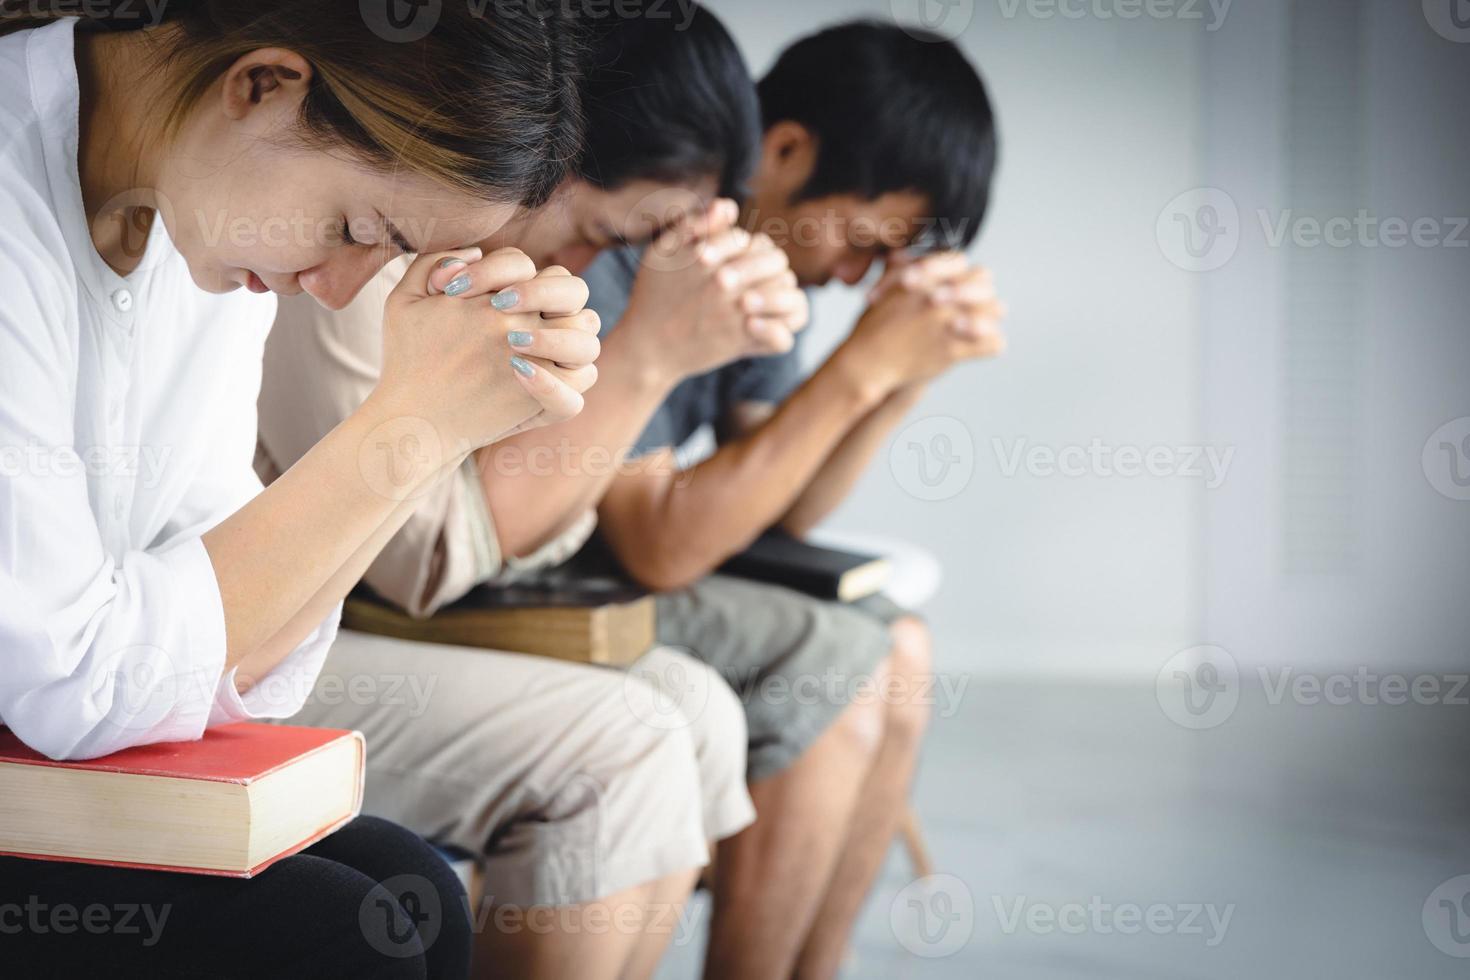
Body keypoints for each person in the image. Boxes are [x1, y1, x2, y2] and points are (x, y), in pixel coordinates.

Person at [0, 3, 595, 976]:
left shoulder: (202, 223)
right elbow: (79, 677)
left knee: (413, 891)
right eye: (357, 225)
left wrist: (444, 423)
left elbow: (224, 627)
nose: (335, 285)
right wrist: (411, 427)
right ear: (264, 85)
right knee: (336, 935)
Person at [252, 9, 777, 980]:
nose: (588, 267)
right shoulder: (362, 248)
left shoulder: (498, 267)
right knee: (622, 746)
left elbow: (525, 530)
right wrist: (649, 354)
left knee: (696, 705)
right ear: (551, 158)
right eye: (599, 234)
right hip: (276, 634)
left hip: (323, 623)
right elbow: (425, 563)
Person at [576, 20, 1007, 978]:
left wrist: (900, 376)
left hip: (630, 566)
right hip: (562, 574)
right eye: (859, 240)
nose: (852, 277)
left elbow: (786, 510)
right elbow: (657, 548)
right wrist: (858, 369)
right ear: (785, 148)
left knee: (905, 646)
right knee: (848, 676)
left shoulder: (774, 268)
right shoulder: (638, 234)